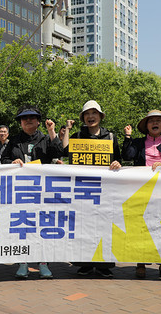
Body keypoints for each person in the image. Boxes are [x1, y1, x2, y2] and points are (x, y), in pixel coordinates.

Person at [0, 104, 62, 279]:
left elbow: (58, 152)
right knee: (23, 227)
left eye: (32, 118)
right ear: (20, 123)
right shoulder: (14, 141)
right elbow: (3, 159)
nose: (28, 121)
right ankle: (23, 262)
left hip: (43, 192)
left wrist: (52, 132)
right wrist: (11, 162)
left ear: (38, 121)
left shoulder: (45, 138)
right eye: (24, 119)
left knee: (43, 227)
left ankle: (43, 263)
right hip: (20, 192)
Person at [64, 100, 121, 278]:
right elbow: (65, 151)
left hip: (105, 189)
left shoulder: (110, 137)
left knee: (104, 225)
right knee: (83, 226)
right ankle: (85, 263)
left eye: (94, 113)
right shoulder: (78, 136)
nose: (91, 117)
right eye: (87, 114)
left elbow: (119, 159)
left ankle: (104, 265)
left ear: (100, 116)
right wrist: (66, 128)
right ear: (83, 118)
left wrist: (116, 163)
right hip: (83, 189)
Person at [122, 110, 161, 281]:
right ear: (146, 126)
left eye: (158, 121)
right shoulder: (138, 143)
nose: (155, 123)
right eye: (151, 121)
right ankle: (141, 263)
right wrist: (128, 138)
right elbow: (127, 156)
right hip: (141, 191)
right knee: (141, 228)